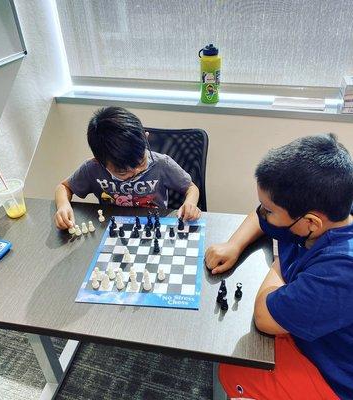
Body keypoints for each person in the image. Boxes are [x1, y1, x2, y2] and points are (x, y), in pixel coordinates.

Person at [206, 134, 353, 399]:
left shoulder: (341, 273)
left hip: (332, 374)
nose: (263, 215)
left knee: (233, 365)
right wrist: (234, 244)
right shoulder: (332, 209)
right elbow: (261, 214)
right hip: (307, 328)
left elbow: (264, 317)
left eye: (269, 211)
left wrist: (278, 266)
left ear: (310, 222)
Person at [54, 107, 201, 229]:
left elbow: (191, 188)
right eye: (122, 171)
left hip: (154, 226)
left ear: (146, 137)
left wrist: (190, 203)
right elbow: (63, 187)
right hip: (113, 228)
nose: (136, 171)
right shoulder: (92, 169)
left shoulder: (161, 164)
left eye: (141, 162)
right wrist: (63, 205)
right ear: (100, 162)